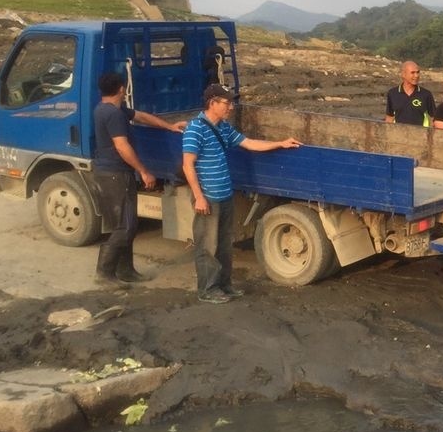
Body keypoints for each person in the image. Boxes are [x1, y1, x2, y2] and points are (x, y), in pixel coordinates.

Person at [182, 84, 301, 304]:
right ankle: (207, 289)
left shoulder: (223, 128)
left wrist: (280, 144)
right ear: (212, 103)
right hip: (207, 198)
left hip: (224, 194)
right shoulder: (195, 129)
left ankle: (224, 285)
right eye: (227, 103)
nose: (231, 107)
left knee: (225, 244)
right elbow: (188, 165)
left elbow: (249, 143)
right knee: (208, 246)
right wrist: (199, 197)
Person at [92, 71, 186, 287]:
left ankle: (126, 270)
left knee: (126, 224)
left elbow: (141, 116)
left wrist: (169, 126)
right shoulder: (113, 115)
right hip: (115, 174)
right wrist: (143, 171)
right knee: (124, 227)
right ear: (122, 89)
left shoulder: (108, 109)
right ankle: (104, 273)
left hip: (111, 172)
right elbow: (122, 146)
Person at [384, 60, 435, 126]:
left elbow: (433, 119)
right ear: (403, 74)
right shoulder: (392, 94)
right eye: (412, 73)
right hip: (398, 134)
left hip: (420, 135)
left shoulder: (426, 94)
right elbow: (389, 118)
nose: (416, 75)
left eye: (418, 72)